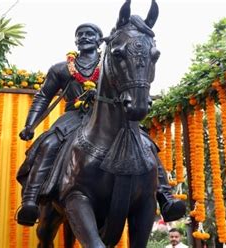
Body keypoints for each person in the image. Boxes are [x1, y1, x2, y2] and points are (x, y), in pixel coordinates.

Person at [15, 22, 185, 226]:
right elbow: (43, 96)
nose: (84, 37)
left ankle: (165, 197)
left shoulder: (110, 62)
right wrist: (30, 124)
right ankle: (30, 201)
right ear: (76, 41)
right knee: (49, 143)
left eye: (90, 34)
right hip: (74, 116)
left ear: (99, 40)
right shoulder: (61, 69)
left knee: (146, 143)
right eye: (80, 34)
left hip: (110, 115)